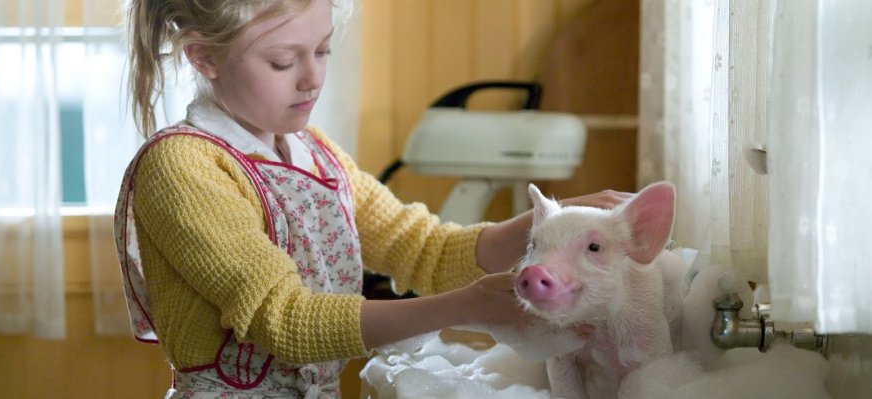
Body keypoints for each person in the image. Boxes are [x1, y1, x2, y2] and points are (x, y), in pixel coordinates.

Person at [115, 0, 633, 397]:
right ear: (204, 57)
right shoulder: (183, 167)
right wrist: (465, 307)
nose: (313, 78)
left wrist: (556, 225)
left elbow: (426, 250)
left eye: (322, 50)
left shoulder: (314, 153)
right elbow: (286, 321)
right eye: (281, 61)